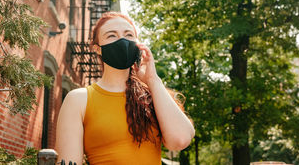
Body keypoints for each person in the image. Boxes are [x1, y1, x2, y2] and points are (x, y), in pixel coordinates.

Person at [55, 12, 195, 164]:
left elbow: (180, 140)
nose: (122, 40)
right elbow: (68, 161)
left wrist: (153, 80)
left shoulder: (153, 96)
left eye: (128, 34)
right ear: (97, 49)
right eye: (111, 36)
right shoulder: (78, 99)